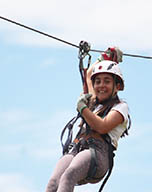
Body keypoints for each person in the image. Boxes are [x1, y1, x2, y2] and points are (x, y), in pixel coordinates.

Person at [45, 47, 131, 192]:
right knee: (53, 183)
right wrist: (103, 57)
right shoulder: (93, 102)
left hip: (98, 152)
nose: (101, 85)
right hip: (78, 147)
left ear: (117, 86)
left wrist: (82, 108)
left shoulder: (121, 107)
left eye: (107, 81)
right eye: (97, 82)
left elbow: (102, 127)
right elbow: (90, 73)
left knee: (68, 175)